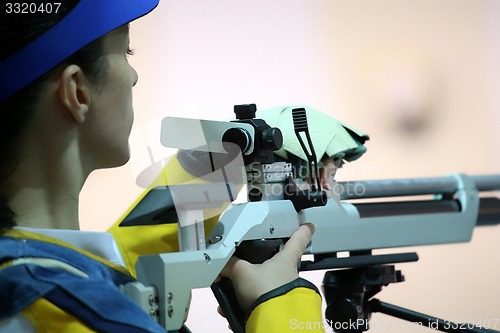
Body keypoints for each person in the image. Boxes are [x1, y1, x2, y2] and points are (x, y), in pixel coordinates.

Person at [0, 1, 325, 332]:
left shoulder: (37, 278)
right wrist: (283, 305)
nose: (134, 76)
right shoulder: (60, 305)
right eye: (126, 51)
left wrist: (182, 204)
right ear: (77, 92)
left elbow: (87, 274)